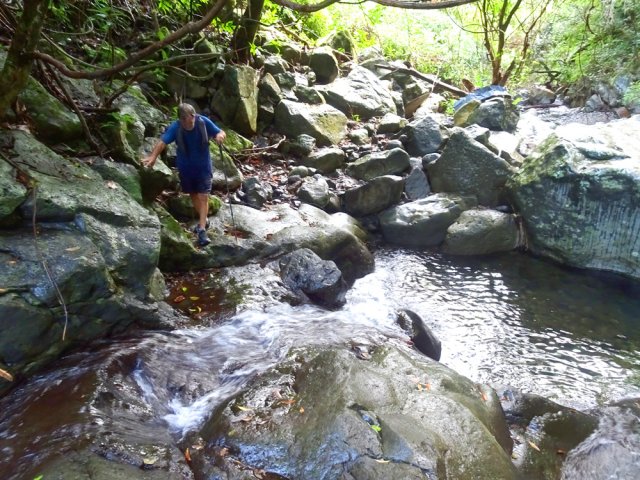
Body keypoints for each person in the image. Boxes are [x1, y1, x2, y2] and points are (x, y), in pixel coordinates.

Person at [143, 103, 226, 246]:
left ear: (194, 115)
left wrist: (219, 136)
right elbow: (162, 142)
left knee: (203, 196)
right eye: (186, 121)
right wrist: (153, 157)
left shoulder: (203, 122)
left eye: (191, 119)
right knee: (193, 194)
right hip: (186, 168)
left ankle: (201, 230)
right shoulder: (176, 127)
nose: (189, 123)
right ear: (181, 119)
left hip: (203, 167)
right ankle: (204, 219)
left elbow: (220, 132)